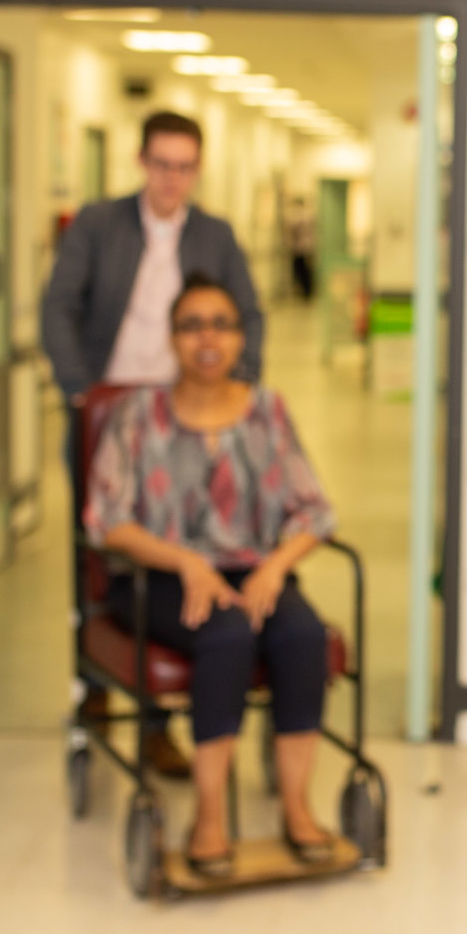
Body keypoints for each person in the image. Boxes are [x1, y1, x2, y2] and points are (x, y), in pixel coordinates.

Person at [82, 273, 339, 871]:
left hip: (252, 571)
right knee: (226, 635)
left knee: (302, 636)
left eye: (221, 324)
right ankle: (211, 815)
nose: (208, 337)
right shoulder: (138, 415)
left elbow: (316, 510)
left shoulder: (268, 411)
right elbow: (106, 520)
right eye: (192, 324)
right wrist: (186, 561)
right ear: (172, 339)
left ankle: (297, 808)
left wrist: (276, 568)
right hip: (158, 574)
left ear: (239, 338)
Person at [43, 110, 264, 778]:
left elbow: (248, 314)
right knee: (102, 555)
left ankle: (158, 720)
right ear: (142, 162)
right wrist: (83, 393)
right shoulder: (99, 224)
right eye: (162, 164)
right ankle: (98, 688)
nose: (173, 178)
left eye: (185, 166)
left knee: (182, 551)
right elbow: (59, 306)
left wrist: (237, 394)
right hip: (109, 413)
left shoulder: (214, 236)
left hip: (187, 420)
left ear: (198, 169)